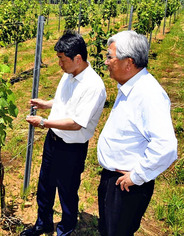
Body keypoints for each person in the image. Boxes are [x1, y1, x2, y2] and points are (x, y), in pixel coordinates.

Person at [22, 31, 107, 236]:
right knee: (45, 186)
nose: (59, 64)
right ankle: (43, 223)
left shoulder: (93, 86)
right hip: (54, 141)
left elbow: (77, 123)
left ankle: (65, 229)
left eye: (62, 59)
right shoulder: (69, 75)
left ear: (77, 59)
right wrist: (46, 104)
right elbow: (65, 103)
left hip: (72, 148)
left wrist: (43, 122)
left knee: (67, 191)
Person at [97, 30, 178, 236]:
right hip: (114, 181)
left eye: (110, 57)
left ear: (128, 62)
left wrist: (137, 175)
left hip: (126, 186)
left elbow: (166, 146)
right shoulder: (129, 86)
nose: (106, 62)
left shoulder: (149, 94)